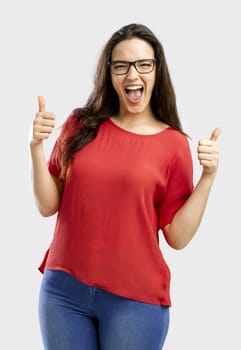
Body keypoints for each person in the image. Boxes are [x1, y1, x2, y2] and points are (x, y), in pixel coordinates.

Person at [29, 23, 221, 350]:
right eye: (122, 66)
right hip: (63, 293)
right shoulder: (79, 125)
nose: (133, 75)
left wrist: (208, 177)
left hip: (135, 302)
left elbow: (177, 236)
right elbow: (48, 205)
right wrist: (36, 146)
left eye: (143, 65)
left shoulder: (173, 145)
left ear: (157, 72)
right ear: (110, 73)